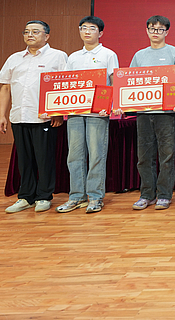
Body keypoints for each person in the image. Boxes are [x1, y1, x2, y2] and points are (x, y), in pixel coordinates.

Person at [0, 20, 68, 214]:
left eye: (35, 31)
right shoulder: (14, 58)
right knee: (24, 159)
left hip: (44, 117)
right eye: (26, 31)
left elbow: (65, 85)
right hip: (18, 116)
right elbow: (5, 87)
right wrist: (1, 115)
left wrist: (58, 113)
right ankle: (26, 197)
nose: (30, 35)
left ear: (47, 35)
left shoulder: (58, 56)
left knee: (44, 159)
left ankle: (44, 196)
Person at [57, 16, 119, 214]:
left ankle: (95, 196)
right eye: (83, 28)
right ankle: (76, 196)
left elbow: (114, 82)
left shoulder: (108, 54)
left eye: (92, 28)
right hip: (75, 112)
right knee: (74, 156)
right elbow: (66, 83)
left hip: (98, 112)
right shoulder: (73, 57)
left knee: (96, 154)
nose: (87, 31)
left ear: (100, 33)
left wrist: (112, 105)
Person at [128, 15, 175, 211]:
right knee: (144, 157)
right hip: (144, 113)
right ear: (147, 31)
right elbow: (130, 83)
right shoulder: (139, 55)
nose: (156, 32)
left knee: (166, 157)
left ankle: (164, 195)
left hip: (167, 113)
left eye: (160, 29)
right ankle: (147, 195)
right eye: (152, 29)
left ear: (166, 32)